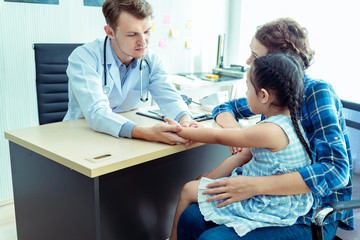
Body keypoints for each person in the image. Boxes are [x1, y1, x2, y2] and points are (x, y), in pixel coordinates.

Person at [177, 18, 353, 240]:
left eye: (256, 56)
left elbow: (335, 171)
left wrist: (256, 186)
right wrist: (238, 137)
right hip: (265, 201)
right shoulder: (272, 94)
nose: (248, 60)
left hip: (309, 211)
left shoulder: (317, 92)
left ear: (279, 61)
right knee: (190, 219)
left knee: (212, 238)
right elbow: (225, 107)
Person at [167, 53, 313, 239]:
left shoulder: (270, 130)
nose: (245, 94)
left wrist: (181, 130)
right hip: (270, 196)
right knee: (191, 194)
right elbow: (242, 155)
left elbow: (219, 136)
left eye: (247, 88)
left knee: (188, 190)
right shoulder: (289, 122)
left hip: (269, 203)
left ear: (263, 95)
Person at [63, 0, 197, 145]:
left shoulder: (151, 60)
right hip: (82, 136)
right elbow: (97, 113)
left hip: (127, 137)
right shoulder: (84, 57)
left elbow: (170, 99)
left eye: (147, 32)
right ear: (110, 32)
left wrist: (185, 120)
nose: (143, 42)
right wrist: (147, 133)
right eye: (132, 34)